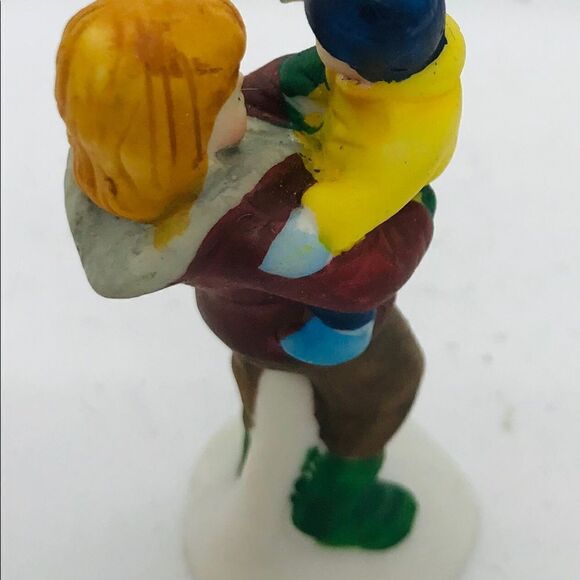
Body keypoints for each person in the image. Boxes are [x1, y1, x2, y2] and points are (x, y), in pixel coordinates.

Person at [57, 0, 464, 550]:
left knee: (259, 384)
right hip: (294, 324)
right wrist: (413, 208)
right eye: (226, 93)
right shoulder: (248, 225)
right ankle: (335, 504)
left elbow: (261, 98)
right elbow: (367, 274)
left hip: (244, 317)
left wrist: (307, 75)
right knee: (386, 381)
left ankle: (261, 447)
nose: (242, 90)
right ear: (184, 133)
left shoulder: (148, 163)